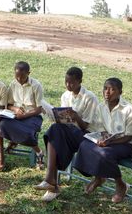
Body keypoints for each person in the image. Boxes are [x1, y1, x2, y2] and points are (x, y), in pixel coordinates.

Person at [34, 67, 99, 201]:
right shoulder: (65, 95)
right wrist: (56, 116)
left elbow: (85, 126)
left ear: (80, 81)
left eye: (72, 83)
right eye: (66, 82)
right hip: (68, 132)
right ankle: (51, 182)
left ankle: (51, 181)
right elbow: (62, 119)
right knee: (56, 131)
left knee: (55, 131)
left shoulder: (89, 98)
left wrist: (75, 116)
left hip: (86, 135)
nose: (68, 85)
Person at [76, 77, 132, 203]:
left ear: (120, 92)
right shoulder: (101, 106)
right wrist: (102, 137)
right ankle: (98, 178)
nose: (107, 92)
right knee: (84, 145)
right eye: (105, 88)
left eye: (112, 89)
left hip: (125, 144)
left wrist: (109, 142)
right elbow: (100, 127)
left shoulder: (129, 109)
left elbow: (129, 136)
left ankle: (120, 184)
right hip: (109, 141)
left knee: (104, 153)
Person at [0, 61, 45, 169]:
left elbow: (39, 109)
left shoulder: (36, 85)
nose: (19, 79)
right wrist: (15, 108)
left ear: (28, 73)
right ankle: (15, 140)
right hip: (17, 114)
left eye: (22, 77)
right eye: (17, 76)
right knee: (3, 125)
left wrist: (24, 115)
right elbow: (9, 104)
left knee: (28, 132)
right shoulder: (13, 84)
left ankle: (39, 152)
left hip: (33, 116)